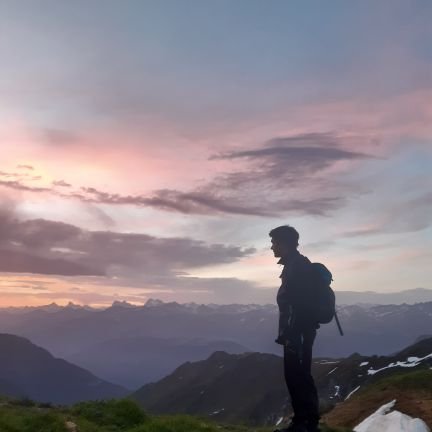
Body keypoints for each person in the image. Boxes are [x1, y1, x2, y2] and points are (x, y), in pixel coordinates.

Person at [270, 225, 320, 432]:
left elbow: (296, 304)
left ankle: (304, 423)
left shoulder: (296, 267)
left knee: (297, 376)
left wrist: (290, 334)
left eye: (274, 242)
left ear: (285, 244)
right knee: (300, 375)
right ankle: (306, 421)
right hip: (300, 331)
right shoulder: (295, 265)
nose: (272, 247)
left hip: (297, 332)